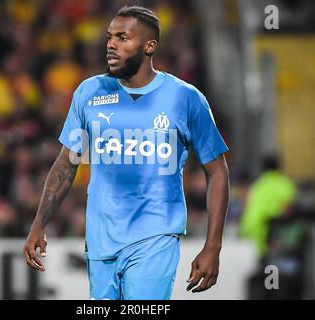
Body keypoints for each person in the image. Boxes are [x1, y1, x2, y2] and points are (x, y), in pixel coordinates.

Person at [24, 6, 230, 300]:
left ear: (149, 46)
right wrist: (39, 224)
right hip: (100, 240)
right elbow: (67, 165)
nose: (111, 44)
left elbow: (217, 171)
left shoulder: (185, 98)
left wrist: (213, 247)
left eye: (123, 38)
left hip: (155, 236)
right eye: (109, 37)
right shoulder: (89, 93)